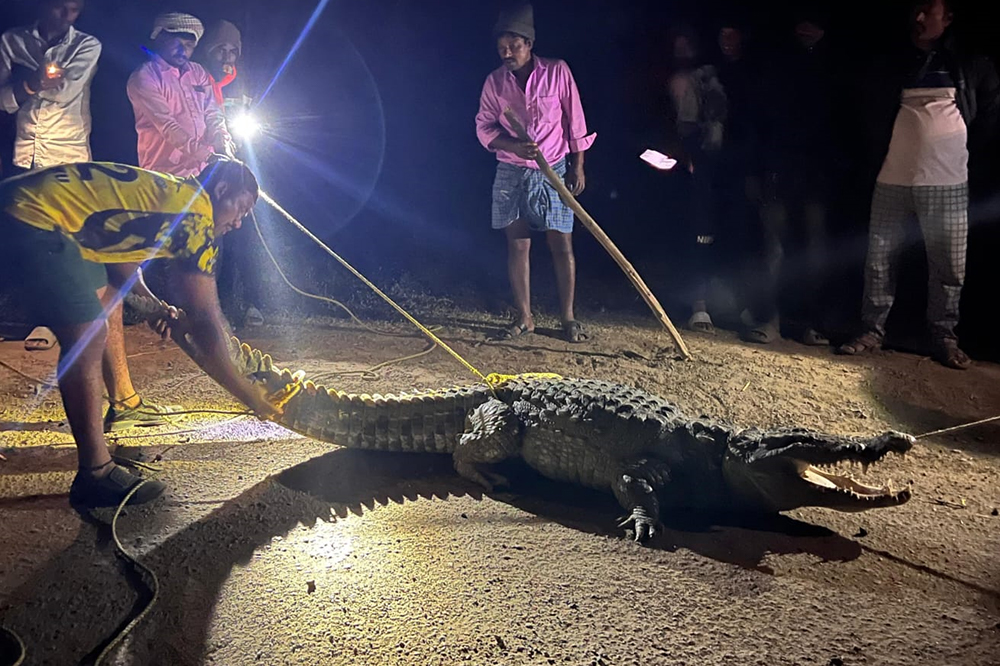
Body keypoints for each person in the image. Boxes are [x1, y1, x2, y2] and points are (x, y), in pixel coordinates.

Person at [0, 158, 282, 508]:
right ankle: (95, 474)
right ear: (221, 190)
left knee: (98, 309)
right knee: (87, 334)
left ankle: (104, 441)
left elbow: (120, 263)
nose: (238, 223)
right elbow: (206, 324)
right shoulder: (196, 219)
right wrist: (250, 395)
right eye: (240, 208)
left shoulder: (170, 194)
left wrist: (155, 307)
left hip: (31, 203)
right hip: (33, 216)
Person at [837, 0, 999, 369]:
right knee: (879, 260)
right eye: (917, 10)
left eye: (930, 11)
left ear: (951, 18)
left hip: (948, 182)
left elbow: (988, 117)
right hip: (893, 176)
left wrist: (963, 155)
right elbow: (867, 112)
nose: (920, 18)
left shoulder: (970, 64)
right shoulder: (893, 61)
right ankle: (872, 330)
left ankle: (944, 335)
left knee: (948, 266)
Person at [475, 3, 596, 343]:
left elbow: (576, 121)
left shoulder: (557, 72)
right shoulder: (495, 84)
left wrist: (578, 165)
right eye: (502, 46)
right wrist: (513, 147)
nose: (507, 52)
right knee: (518, 245)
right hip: (512, 171)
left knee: (561, 244)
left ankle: (568, 317)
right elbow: (484, 128)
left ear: (529, 44)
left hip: (554, 168)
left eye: (514, 45)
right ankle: (524, 317)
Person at [0, 0, 100, 353]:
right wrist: (31, 84)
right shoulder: (11, 41)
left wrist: (26, 84)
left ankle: (66, 318)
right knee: (35, 239)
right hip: (28, 150)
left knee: (70, 235)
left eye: (74, 10)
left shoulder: (86, 45)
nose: (66, 16)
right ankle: (46, 315)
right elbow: (3, 101)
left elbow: (66, 91)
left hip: (68, 152)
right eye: (60, 8)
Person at [749, 9, 839, 346]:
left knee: (814, 250)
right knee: (772, 247)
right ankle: (769, 318)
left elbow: (845, 126)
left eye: (815, 22)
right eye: (801, 21)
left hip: (817, 175)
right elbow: (759, 122)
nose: (806, 28)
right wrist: (757, 170)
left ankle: (808, 321)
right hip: (778, 169)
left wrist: (837, 171)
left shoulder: (835, 68)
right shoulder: (776, 65)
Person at [196, 19, 266, 328]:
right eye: (220, 49)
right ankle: (212, 310)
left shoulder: (241, 82)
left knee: (247, 237)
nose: (226, 57)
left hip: (240, 168)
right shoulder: (196, 79)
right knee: (213, 241)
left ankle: (251, 303)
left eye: (232, 51)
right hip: (207, 173)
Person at [664, 27, 727, 333]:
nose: (683, 52)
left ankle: (713, 304)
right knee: (691, 234)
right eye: (679, 46)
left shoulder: (714, 79)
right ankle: (694, 304)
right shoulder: (671, 79)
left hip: (717, 164)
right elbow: (670, 121)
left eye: (688, 45)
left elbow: (719, 119)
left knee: (711, 235)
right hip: (684, 165)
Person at [126, 12, 234, 179]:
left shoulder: (198, 72)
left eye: (189, 45)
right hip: (165, 175)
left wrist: (222, 143)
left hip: (205, 172)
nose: (183, 51)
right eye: (178, 44)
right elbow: (168, 126)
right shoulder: (145, 76)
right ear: (161, 39)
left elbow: (213, 114)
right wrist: (209, 157)